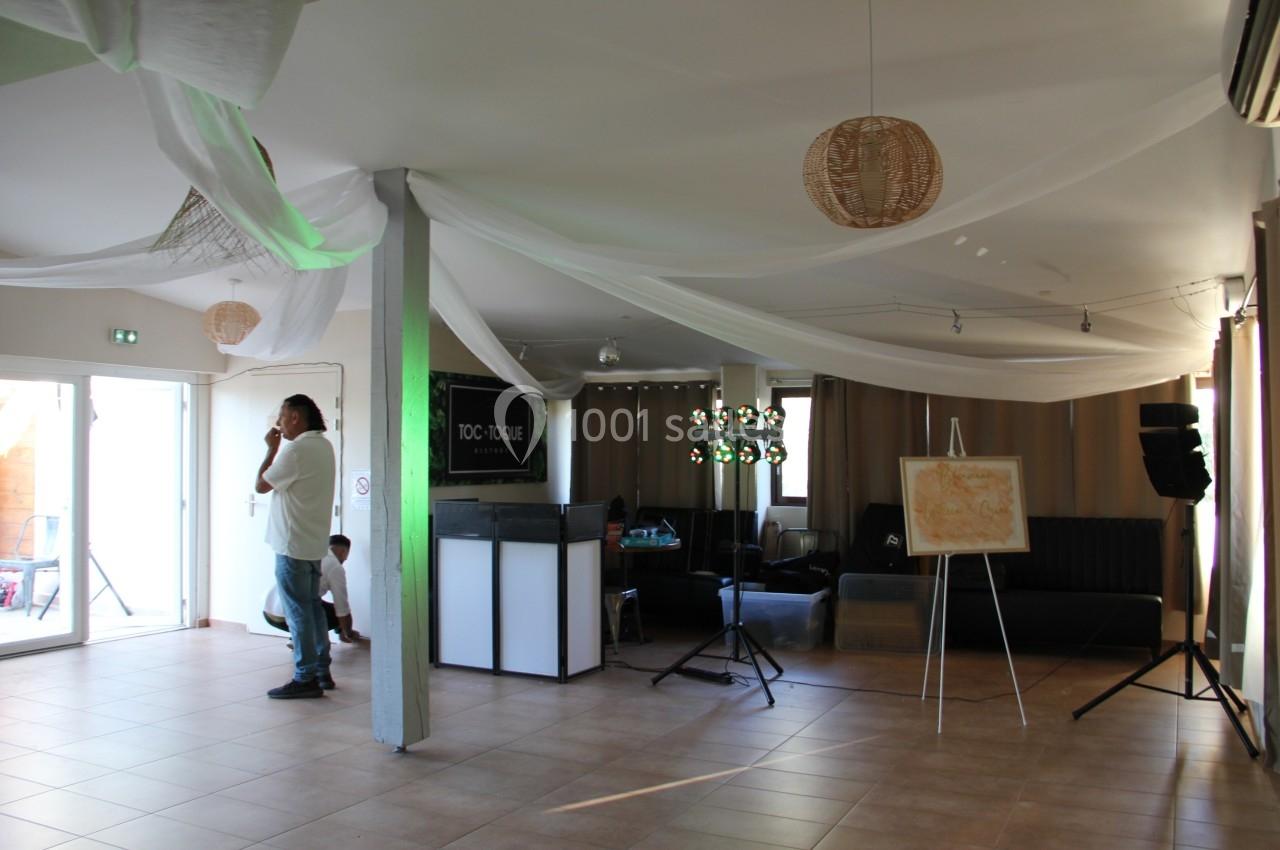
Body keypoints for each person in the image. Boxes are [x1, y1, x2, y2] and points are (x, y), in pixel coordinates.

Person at [256, 394, 336, 698]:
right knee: (312, 607)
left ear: (295, 417)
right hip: (313, 542)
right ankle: (322, 670)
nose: (279, 423)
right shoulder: (324, 446)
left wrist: (271, 449)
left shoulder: (296, 450)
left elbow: (261, 485)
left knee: (298, 612)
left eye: (282, 416)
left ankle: (305, 677)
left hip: (291, 544)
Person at [320, 533, 359, 643]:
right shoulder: (335, 567)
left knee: (318, 602)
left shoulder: (315, 554)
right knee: (338, 612)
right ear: (343, 552)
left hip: (275, 613)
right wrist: (349, 633)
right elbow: (342, 608)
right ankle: (303, 640)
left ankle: (294, 637)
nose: (345, 560)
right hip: (293, 616)